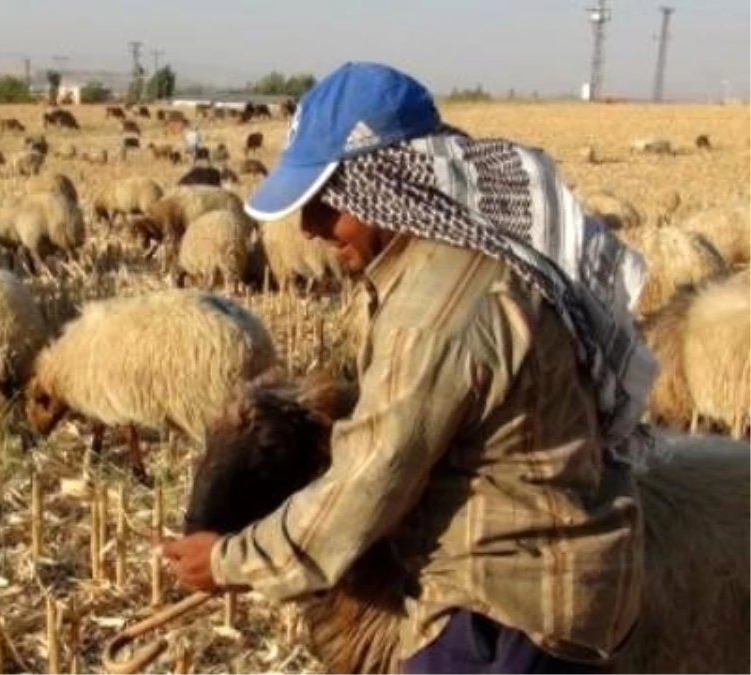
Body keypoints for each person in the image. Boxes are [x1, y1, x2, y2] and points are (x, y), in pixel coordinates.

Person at [162, 62, 659, 674]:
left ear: (386, 186)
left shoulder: (436, 308)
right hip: (543, 597)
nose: (310, 228)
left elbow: (369, 484)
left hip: (504, 612)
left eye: (327, 202)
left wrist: (229, 562)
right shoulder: (468, 264)